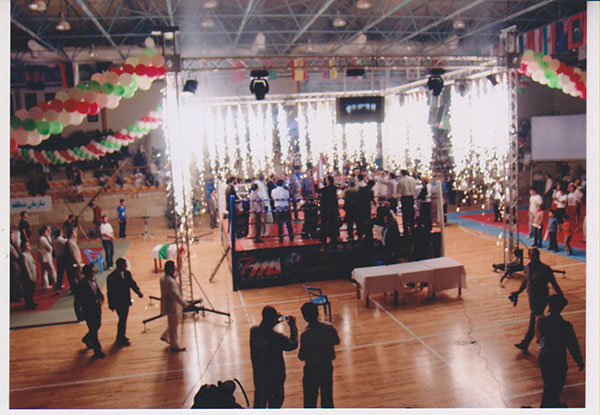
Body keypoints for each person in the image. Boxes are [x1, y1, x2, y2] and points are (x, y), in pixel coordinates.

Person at [511, 248, 564, 352]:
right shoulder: (527, 268)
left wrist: (561, 295)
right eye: (533, 255)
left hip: (541, 298)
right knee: (536, 320)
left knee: (535, 319)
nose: (535, 257)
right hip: (532, 298)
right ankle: (532, 341)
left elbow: (554, 283)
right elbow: (526, 280)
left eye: (536, 255)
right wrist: (518, 292)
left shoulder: (545, 269)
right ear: (529, 256)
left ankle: (531, 342)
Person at [537, 295, 584, 408]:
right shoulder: (565, 326)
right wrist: (579, 360)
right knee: (555, 386)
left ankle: (554, 404)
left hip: (543, 357)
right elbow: (573, 345)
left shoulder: (542, 321)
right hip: (557, 359)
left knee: (549, 385)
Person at [250, 306, 298, 408]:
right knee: (275, 404)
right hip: (275, 378)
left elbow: (264, 329)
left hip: (259, 376)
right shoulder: (277, 338)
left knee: (259, 405)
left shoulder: (253, 332)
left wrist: (272, 322)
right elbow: (293, 344)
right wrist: (293, 327)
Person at [298, 302, 340, 408]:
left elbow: (302, 356)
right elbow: (337, 341)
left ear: (305, 317)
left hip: (312, 369)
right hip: (327, 366)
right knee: (327, 398)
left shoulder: (305, 334)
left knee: (310, 400)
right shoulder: (329, 327)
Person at [107, 258, 143, 346]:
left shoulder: (127, 273)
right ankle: (120, 337)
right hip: (118, 302)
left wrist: (138, 292)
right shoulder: (111, 277)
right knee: (122, 319)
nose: (126, 266)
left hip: (125, 300)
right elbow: (110, 292)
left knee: (123, 319)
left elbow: (132, 283)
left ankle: (121, 336)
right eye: (124, 264)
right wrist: (111, 304)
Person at [74, 264, 105, 358]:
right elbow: (77, 301)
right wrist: (79, 314)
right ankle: (97, 351)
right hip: (88, 310)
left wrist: (101, 296)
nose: (93, 272)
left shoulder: (93, 280)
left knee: (97, 326)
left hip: (96, 308)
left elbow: (97, 290)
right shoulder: (81, 285)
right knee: (93, 330)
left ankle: (87, 339)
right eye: (92, 271)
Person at [159, 260, 187, 352]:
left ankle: (165, 336)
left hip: (168, 305)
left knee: (172, 323)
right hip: (172, 306)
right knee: (174, 325)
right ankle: (174, 345)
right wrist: (184, 304)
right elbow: (175, 294)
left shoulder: (163, 278)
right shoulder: (169, 281)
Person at [317, 176, 339, 244]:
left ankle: (324, 237)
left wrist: (315, 183)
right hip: (332, 208)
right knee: (332, 223)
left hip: (325, 208)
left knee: (324, 223)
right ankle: (333, 236)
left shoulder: (325, 189)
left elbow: (318, 190)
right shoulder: (334, 188)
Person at [19, 241, 38, 310]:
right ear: (24, 247)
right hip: (27, 276)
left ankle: (31, 301)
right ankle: (28, 304)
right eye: (28, 245)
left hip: (33, 273)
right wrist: (30, 276)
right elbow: (26, 267)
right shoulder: (23, 255)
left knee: (31, 290)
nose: (29, 246)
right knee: (28, 291)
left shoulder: (28, 253)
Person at [37, 225, 57, 290]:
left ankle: (45, 284)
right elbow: (50, 247)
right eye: (46, 231)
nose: (47, 232)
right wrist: (50, 250)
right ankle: (56, 284)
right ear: (43, 232)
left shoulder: (40, 238)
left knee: (44, 272)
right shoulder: (43, 239)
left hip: (43, 257)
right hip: (46, 257)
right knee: (52, 271)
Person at [65, 228, 84, 293]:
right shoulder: (69, 242)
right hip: (75, 262)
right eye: (74, 232)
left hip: (77, 260)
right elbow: (72, 253)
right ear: (71, 234)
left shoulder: (72, 241)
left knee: (78, 275)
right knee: (78, 275)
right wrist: (77, 262)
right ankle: (79, 289)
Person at [398, 170, 416, 235]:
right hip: (411, 197)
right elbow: (414, 188)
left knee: (405, 214)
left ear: (402, 173)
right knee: (411, 213)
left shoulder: (400, 181)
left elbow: (399, 190)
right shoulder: (412, 179)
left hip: (404, 197)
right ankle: (412, 228)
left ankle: (405, 230)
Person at [53, 229, 68, 295]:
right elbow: (67, 241)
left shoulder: (55, 239)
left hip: (59, 257)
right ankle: (58, 288)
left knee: (60, 273)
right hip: (63, 257)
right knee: (68, 272)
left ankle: (58, 287)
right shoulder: (60, 239)